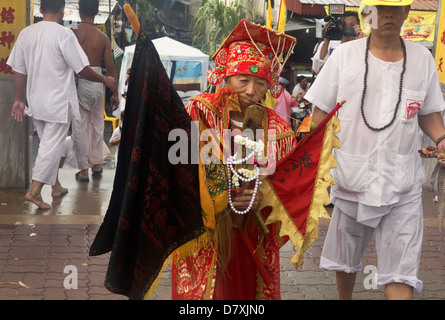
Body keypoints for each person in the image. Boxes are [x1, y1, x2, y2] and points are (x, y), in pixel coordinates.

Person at [305, 0, 445, 299]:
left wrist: (442, 139)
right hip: (350, 178)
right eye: (381, 8)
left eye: (397, 8)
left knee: (401, 270)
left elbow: (428, 112)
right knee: (345, 260)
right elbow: (319, 119)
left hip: (403, 183)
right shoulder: (343, 56)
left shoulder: (422, 59)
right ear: (367, 13)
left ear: (407, 12)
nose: (389, 14)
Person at [170, 19, 297, 300]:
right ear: (226, 78)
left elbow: (288, 186)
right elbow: (180, 167)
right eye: (244, 80)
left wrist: (259, 195)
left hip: (253, 231)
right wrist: (220, 191)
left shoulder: (278, 130)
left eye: (260, 82)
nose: (251, 91)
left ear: (270, 86)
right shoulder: (200, 113)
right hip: (206, 230)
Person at [8, 0, 116, 210]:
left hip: (36, 100)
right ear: (62, 11)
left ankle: (55, 186)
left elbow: (18, 69)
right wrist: (105, 80)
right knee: (50, 146)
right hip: (57, 102)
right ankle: (35, 191)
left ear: (40, 9)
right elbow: (82, 69)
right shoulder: (63, 34)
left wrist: (18, 99)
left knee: (49, 145)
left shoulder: (26, 34)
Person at [71, 0, 119, 183]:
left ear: (79, 10)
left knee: (80, 127)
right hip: (99, 81)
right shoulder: (103, 38)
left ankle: (84, 170)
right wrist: (114, 92)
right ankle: (97, 166)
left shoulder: (72, 34)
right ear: (97, 11)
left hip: (80, 80)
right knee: (97, 124)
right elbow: (111, 67)